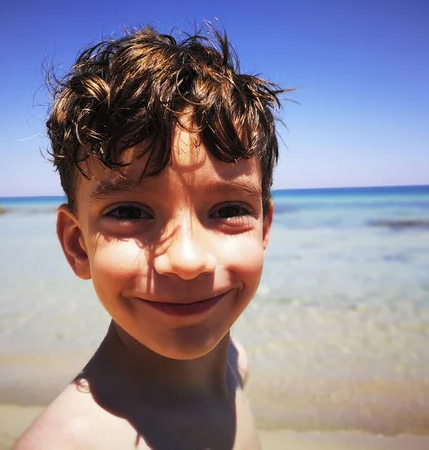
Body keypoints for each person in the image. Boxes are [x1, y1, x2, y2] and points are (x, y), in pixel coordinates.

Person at [15, 25, 286, 449]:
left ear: (264, 228)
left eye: (230, 210)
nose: (187, 259)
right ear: (77, 245)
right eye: (128, 212)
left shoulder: (236, 364)